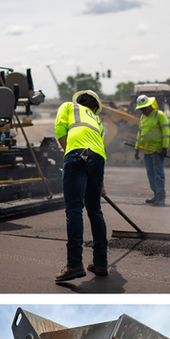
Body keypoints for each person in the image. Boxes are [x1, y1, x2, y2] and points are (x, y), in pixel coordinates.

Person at [53, 89, 109, 283]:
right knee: (95, 211)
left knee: (75, 210)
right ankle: (101, 262)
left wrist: (72, 154)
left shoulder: (68, 106)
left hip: (77, 154)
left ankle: (74, 263)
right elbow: (97, 148)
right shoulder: (97, 120)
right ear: (94, 107)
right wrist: (100, 183)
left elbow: (60, 131)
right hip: (98, 160)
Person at [134, 94, 169, 206]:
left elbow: (166, 133)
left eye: (144, 108)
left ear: (150, 106)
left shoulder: (160, 115)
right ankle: (156, 194)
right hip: (147, 151)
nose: (142, 111)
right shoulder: (142, 118)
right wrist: (137, 149)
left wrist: (165, 147)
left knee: (158, 173)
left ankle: (161, 197)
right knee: (150, 174)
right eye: (140, 109)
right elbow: (140, 134)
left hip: (157, 151)